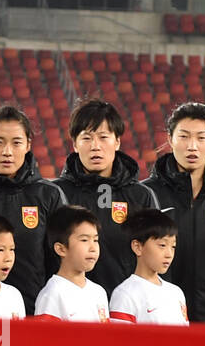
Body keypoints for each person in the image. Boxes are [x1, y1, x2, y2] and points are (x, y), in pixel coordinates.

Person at [141, 101, 205, 321]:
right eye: (184, 136)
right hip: (158, 317)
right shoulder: (146, 194)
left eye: (201, 137)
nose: (192, 146)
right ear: (170, 139)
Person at [0, 105, 68, 312]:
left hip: (33, 314)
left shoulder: (48, 195)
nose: (7, 152)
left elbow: (60, 261)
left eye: (16, 143)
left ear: (28, 145)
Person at [52, 97, 159, 296]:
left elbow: (155, 255)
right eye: (86, 138)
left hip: (127, 305)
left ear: (117, 141)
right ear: (74, 144)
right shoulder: (54, 193)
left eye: (103, 137)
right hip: (71, 305)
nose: (95, 146)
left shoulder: (141, 196)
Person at [108, 209, 188, 326]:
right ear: (138, 247)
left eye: (173, 246)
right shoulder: (125, 294)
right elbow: (120, 342)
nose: (169, 254)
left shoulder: (176, 292)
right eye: (162, 245)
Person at [34, 205, 108, 322]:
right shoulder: (52, 294)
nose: (93, 248)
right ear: (61, 249)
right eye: (84, 240)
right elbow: (45, 339)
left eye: (95, 240)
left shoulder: (99, 292)